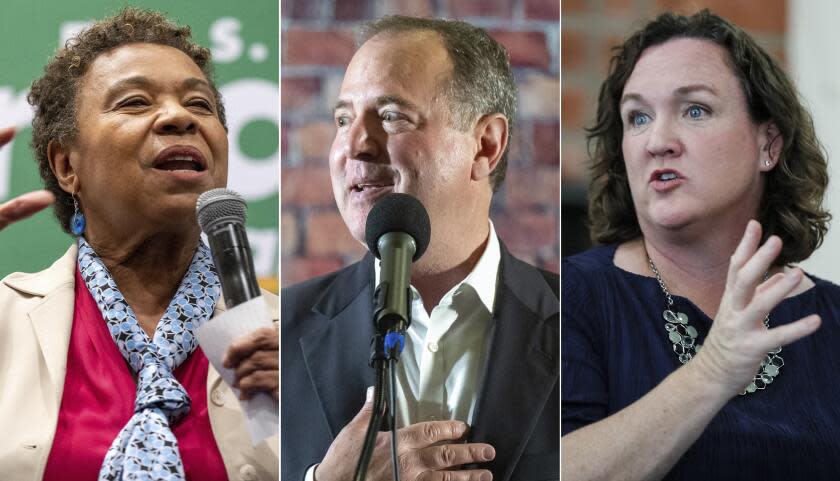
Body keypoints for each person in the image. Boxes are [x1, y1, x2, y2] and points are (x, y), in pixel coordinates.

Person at [0, 8, 278, 480]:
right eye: (134, 103)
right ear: (68, 166)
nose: (178, 117)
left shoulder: (288, 335)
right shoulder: (7, 321)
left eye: (201, 105)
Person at [562, 10, 840, 480]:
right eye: (638, 117)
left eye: (695, 110)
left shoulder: (831, 319)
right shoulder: (572, 297)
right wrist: (713, 371)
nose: (658, 141)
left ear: (768, 143)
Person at [281, 15, 558, 481]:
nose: (354, 146)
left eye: (391, 117)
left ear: (485, 145)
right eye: (343, 119)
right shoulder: (278, 336)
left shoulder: (579, 323)